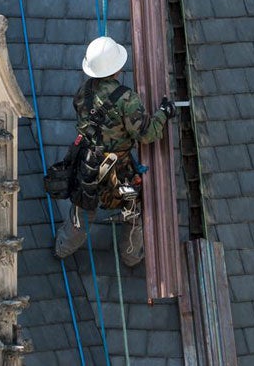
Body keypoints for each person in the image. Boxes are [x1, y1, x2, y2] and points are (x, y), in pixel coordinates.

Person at [54, 36, 175, 266]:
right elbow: (146, 133)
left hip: (88, 163)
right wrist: (163, 113)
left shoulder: (83, 92)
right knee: (132, 209)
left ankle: (63, 248)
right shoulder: (127, 100)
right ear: (117, 68)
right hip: (118, 169)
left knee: (82, 209)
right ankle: (131, 256)